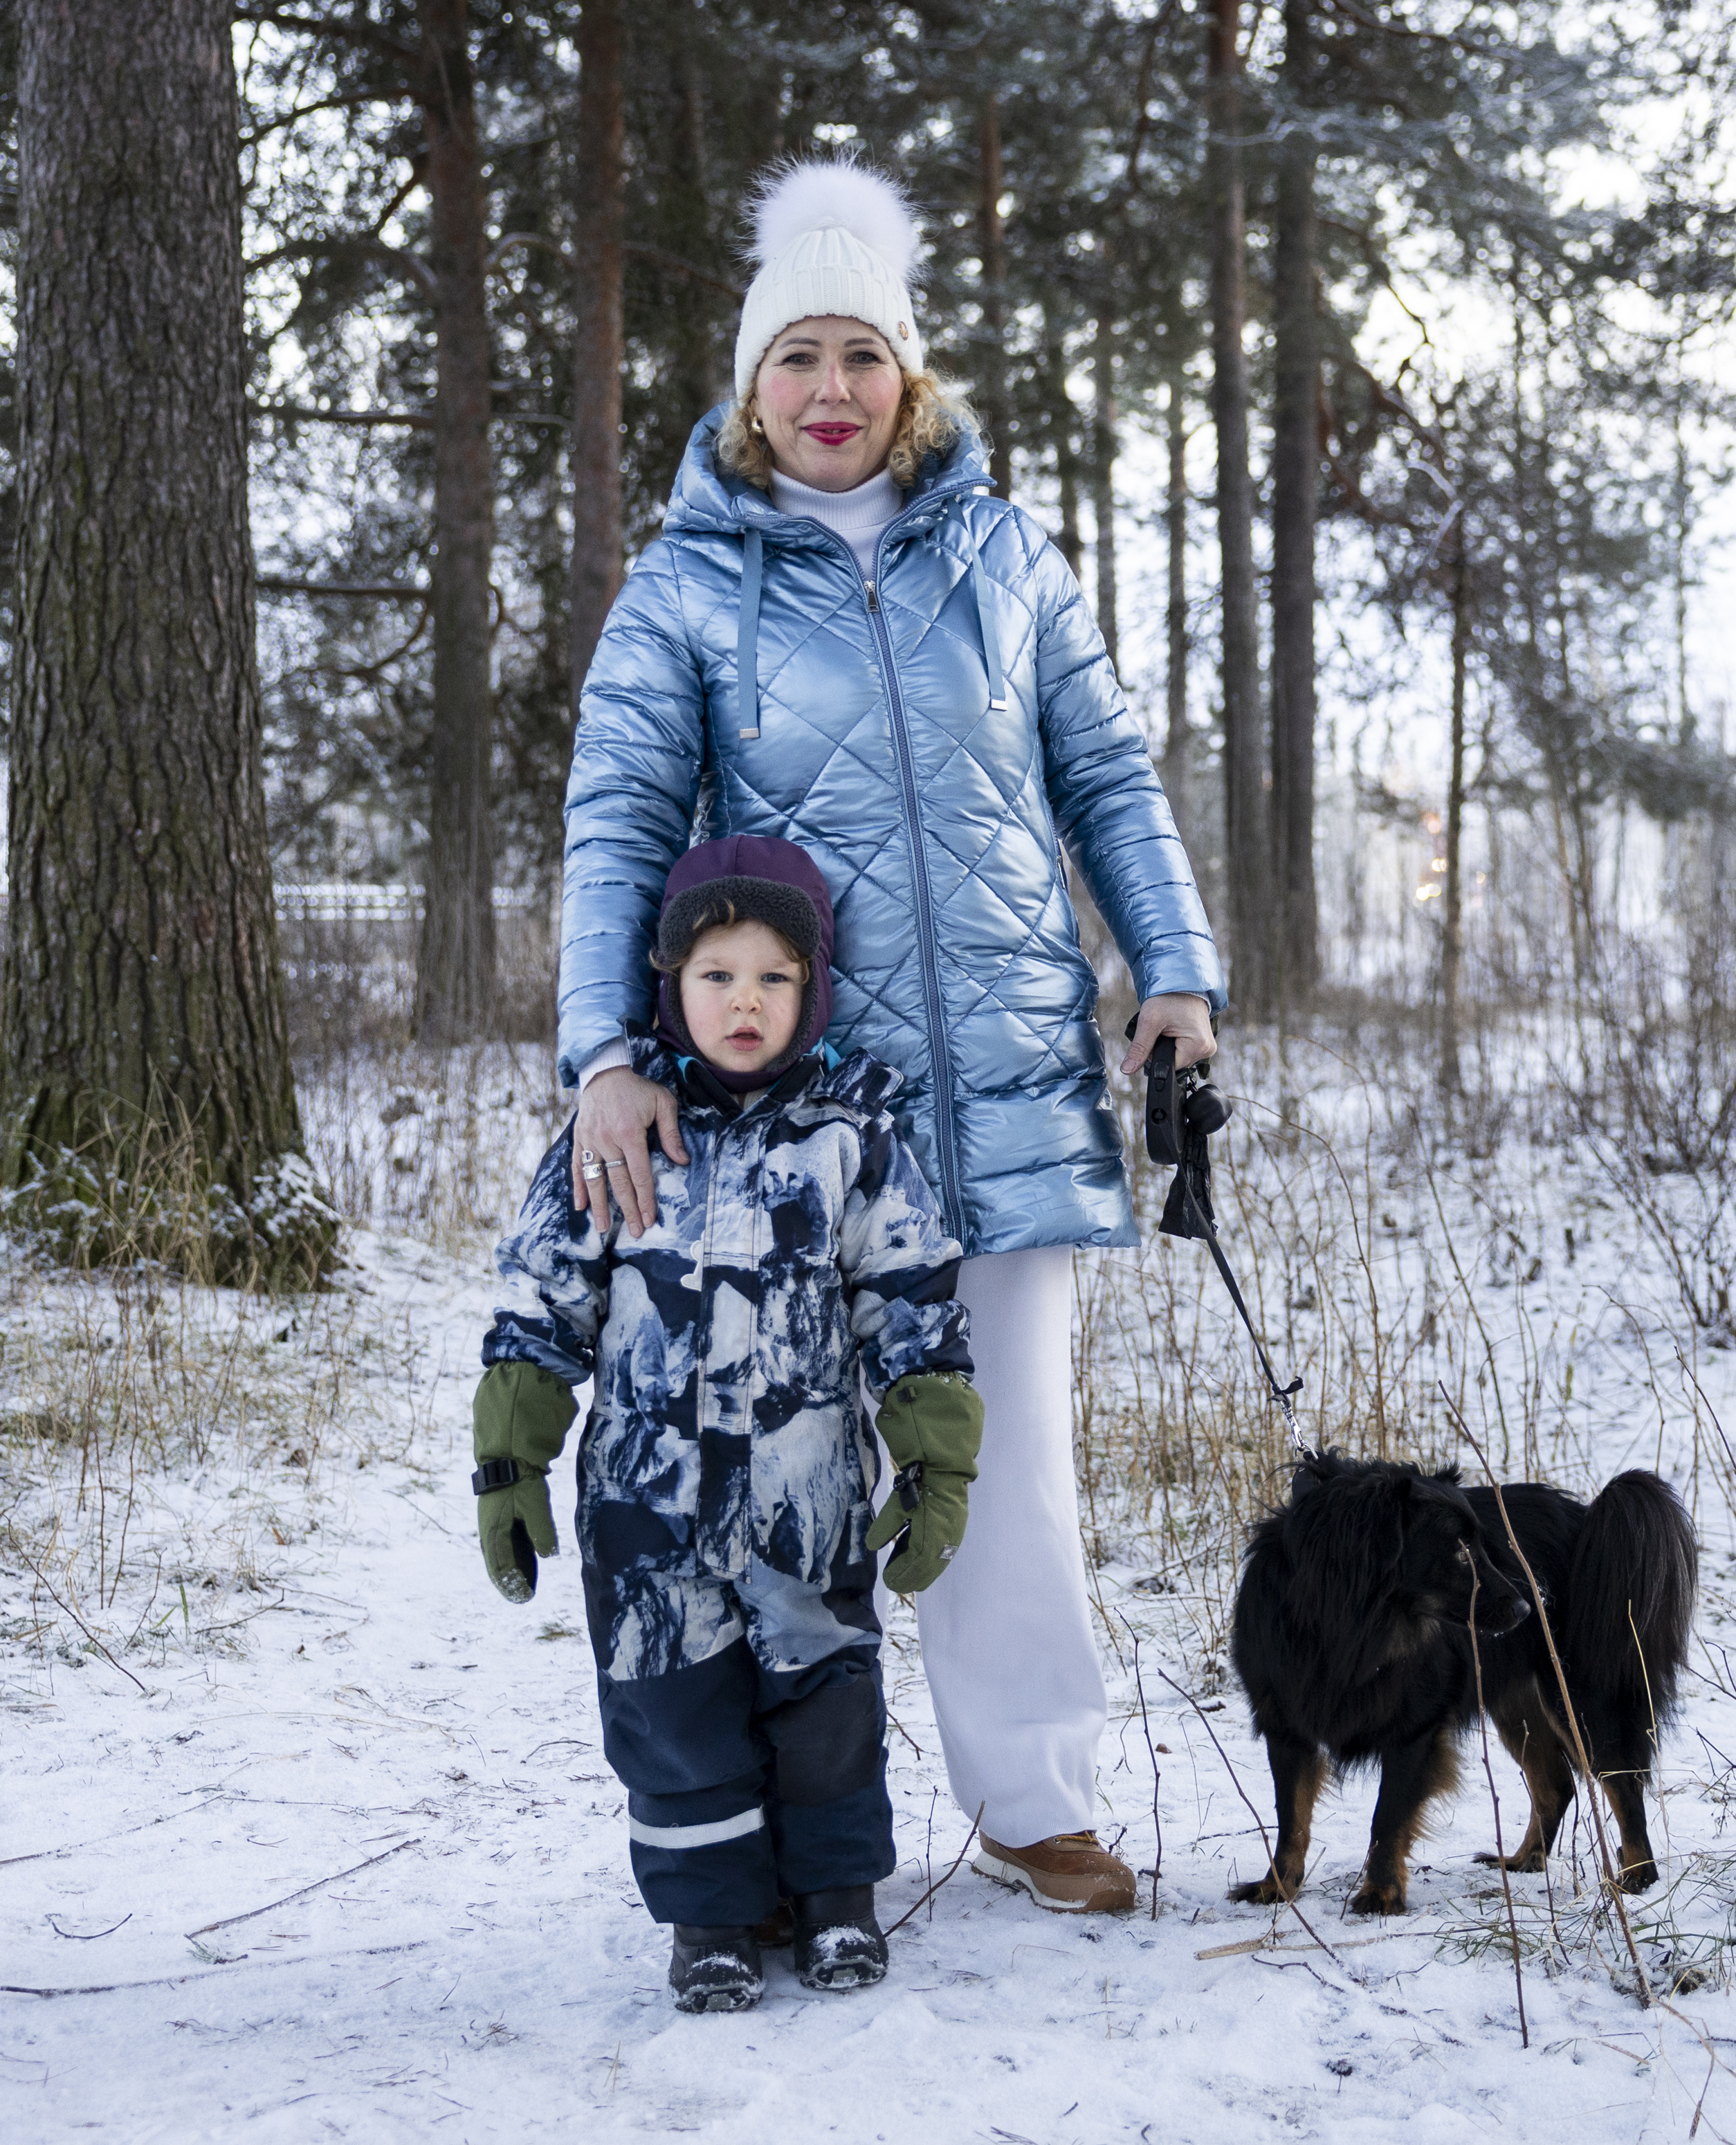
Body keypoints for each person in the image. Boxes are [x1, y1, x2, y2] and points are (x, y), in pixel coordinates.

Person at [556, 157, 1224, 1915]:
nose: (831, 389)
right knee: (772, 1476)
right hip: (789, 1118)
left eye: (862, 353)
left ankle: (1031, 1797)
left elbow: (1102, 772)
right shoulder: (687, 585)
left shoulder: (1007, 553)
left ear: (909, 379)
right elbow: (617, 827)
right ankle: (778, 1836)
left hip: (1003, 1093)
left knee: (1005, 1455)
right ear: (748, 385)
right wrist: (604, 1053)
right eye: (797, 357)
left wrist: (1175, 960)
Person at [474, 834, 985, 2013]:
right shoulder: (617, 1135)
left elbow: (911, 1302)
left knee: (825, 1698)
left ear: (811, 994)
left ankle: (835, 1901)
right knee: (669, 1704)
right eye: (715, 975)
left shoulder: (855, 1138)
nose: (743, 1000)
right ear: (670, 988)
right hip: (643, 1507)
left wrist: (933, 1461)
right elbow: (541, 1298)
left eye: (772, 976)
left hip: (805, 1500)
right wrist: (509, 1457)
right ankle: (710, 1916)